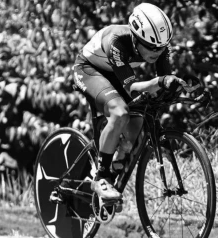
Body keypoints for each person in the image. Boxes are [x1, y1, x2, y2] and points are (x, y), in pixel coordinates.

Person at [72, 3, 186, 201]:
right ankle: (102, 177)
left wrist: (185, 89)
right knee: (120, 112)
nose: (156, 52)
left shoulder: (158, 45)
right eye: (151, 47)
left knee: (138, 121)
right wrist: (158, 82)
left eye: (161, 48)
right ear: (136, 37)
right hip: (89, 70)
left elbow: (164, 83)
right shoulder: (117, 41)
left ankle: (115, 165)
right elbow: (132, 88)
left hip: (116, 73)